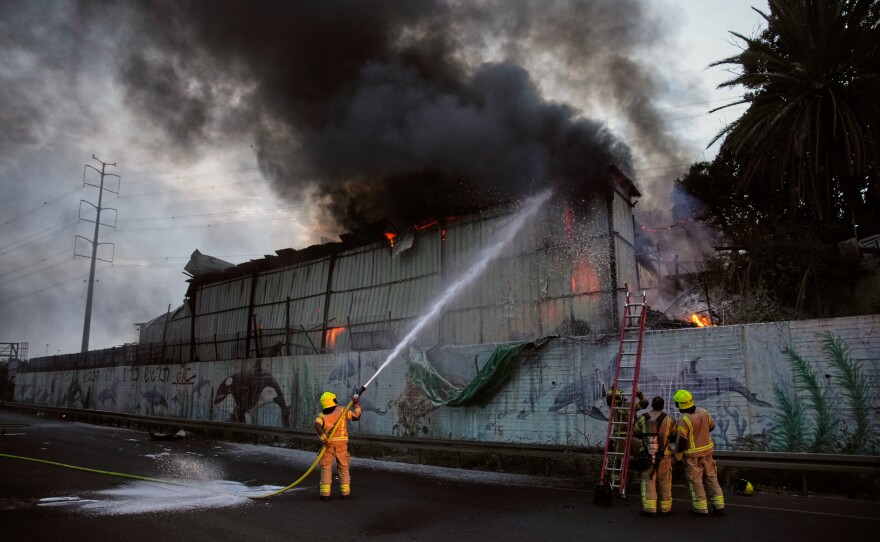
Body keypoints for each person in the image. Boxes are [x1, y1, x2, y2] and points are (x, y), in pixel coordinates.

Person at [673, 389, 725, 516]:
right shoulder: (703, 412)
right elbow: (711, 426)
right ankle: (719, 506)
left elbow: (681, 441)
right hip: (707, 452)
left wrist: (678, 458)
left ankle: (700, 508)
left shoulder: (683, 419)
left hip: (692, 456)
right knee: (712, 478)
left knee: (695, 481)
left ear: (679, 404)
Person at [633, 396, 676, 517]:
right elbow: (673, 436)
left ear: (652, 405)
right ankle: (666, 508)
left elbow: (636, 432)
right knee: (665, 481)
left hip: (647, 454)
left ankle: (650, 508)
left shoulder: (643, 417)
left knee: (648, 480)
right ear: (662, 406)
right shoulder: (669, 419)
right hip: (665, 455)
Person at [314, 390, 362, 500]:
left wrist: (324, 438)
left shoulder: (321, 415)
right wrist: (356, 404)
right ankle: (345, 493)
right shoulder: (342, 410)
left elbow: (317, 426)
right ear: (333, 401)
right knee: (344, 468)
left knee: (326, 468)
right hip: (341, 445)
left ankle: (325, 494)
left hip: (328, 445)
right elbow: (356, 416)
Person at [606, 388, 648, 485]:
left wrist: (639, 394)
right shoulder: (614, 407)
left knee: (644, 455)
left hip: (632, 438)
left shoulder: (631, 406)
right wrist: (610, 392)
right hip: (620, 439)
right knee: (619, 460)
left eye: (613, 397)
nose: (611, 400)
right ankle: (616, 482)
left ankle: (639, 477)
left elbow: (645, 403)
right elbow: (609, 402)